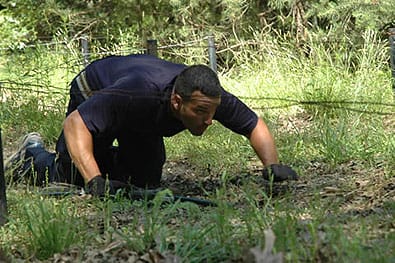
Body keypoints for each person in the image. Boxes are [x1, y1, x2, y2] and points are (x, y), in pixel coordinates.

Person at [5, 54, 298, 197]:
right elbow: (75, 124)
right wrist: (95, 181)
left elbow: (253, 124)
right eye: (200, 113)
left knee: (146, 178)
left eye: (213, 113)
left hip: (138, 111)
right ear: (176, 102)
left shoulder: (207, 97)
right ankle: (32, 154)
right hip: (96, 90)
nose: (209, 121)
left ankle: (104, 164)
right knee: (74, 173)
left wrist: (271, 167)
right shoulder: (137, 93)